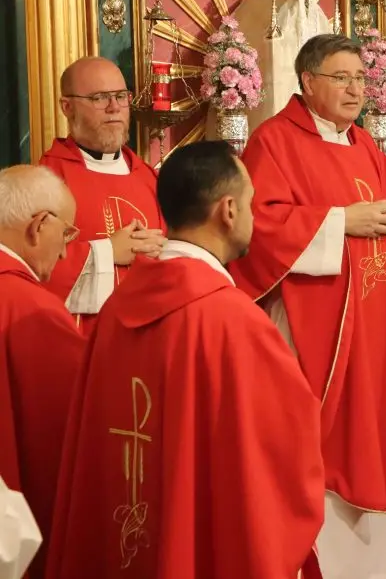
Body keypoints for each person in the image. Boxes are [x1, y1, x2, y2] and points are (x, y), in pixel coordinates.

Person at [45, 142, 325, 579]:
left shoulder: (117, 308)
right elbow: (284, 452)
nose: (253, 216)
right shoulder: (233, 321)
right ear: (228, 210)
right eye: (250, 203)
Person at [228, 34, 386, 579]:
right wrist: (342, 221)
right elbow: (259, 227)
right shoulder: (274, 142)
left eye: (360, 79)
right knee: (319, 444)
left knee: (381, 436)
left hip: (380, 327)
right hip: (315, 328)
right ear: (308, 81)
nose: (355, 89)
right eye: (342, 78)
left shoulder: (364, 144)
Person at [39, 56, 165, 334]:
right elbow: (35, 267)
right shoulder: (46, 180)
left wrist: (163, 249)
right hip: (81, 340)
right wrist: (108, 252)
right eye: (99, 98)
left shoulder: (149, 178)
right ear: (67, 107)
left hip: (149, 337)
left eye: (121, 96)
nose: (114, 108)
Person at [0, 166, 84, 579]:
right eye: (67, 234)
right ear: (39, 225)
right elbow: (65, 439)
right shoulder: (33, 310)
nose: (66, 253)